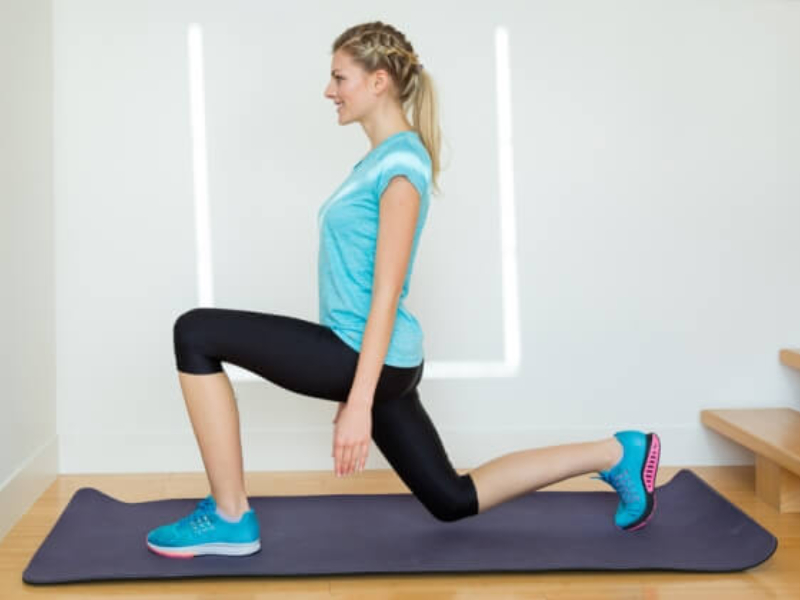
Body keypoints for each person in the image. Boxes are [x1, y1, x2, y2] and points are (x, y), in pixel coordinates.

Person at [146, 20, 661, 559]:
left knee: (196, 332)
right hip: (378, 356)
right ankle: (617, 452)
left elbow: (386, 295)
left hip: (366, 352)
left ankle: (230, 515)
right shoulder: (382, 159)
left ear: (379, 81)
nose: (329, 91)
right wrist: (358, 390)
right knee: (452, 498)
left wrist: (358, 402)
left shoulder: (399, 168)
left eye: (339, 78)